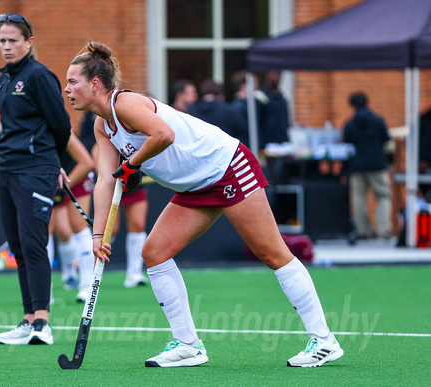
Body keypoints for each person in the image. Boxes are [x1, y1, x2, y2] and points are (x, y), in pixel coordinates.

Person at [64, 41, 343, 368]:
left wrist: (132, 163)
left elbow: (163, 134)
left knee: (272, 252)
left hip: (227, 168)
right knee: (154, 252)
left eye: (72, 81)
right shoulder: (102, 125)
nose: (67, 89)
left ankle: (324, 340)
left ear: (95, 84)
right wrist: (99, 236)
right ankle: (188, 345)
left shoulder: (124, 104)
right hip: (195, 186)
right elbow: (105, 180)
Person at [0, 13, 71, 345]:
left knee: (35, 245)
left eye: (13, 40)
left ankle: (43, 323)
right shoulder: (2, 81)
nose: (7, 47)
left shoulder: (39, 76)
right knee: (18, 247)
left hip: (36, 171)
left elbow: (62, 125)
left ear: (29, 42)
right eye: (2, 41)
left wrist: (56, 165)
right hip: (7, 171)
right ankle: (27, 320)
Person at [80, 111, 149, 288]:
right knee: (111, 230)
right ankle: (93, 275)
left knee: (138, 225)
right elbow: (101, 171)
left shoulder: (132, 134)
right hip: (113, 187)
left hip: (133, 184)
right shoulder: (101, 141)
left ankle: (134, 273)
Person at [48, 132, 95, 303]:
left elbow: (87, 163)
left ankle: (86, 286)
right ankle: (45, 292)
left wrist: (63, 187)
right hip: (51, 180)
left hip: (77, 174)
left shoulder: (60, 128)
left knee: (78, 225)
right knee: (52, 230)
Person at [343, 92, 392, 240]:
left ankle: (363, 231)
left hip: (357, 166)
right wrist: (391, 160)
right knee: (383, 195)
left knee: (359, 198)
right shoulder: (378, 120)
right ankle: (383, 229)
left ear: (352, 105)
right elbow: (387, 142)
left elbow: (346, 148)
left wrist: (345, 171)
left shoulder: (350, 124)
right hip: (377, 164)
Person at [187, 78, 246, 143]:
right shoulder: (229, 111)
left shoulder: (191, 112)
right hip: (224, 151)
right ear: (221, 95)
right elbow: (243, 133)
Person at [255, 71, 290, 150]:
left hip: (283, 143)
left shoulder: (281, 96)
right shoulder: (260, 96)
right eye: (275, 74)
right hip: (267, 144)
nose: (278, 78)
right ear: (268, 75)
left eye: (280, 75)